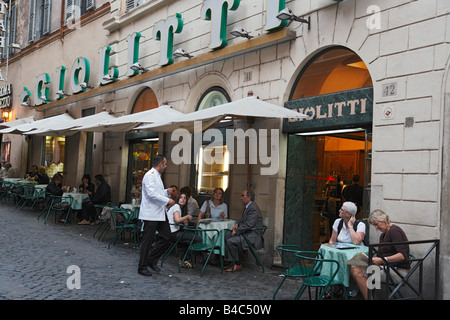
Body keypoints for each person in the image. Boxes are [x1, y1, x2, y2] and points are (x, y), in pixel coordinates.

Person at [350, 209, 410, 300]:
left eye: (377, 224)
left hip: (398, 271)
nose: (376, 228)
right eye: (374, 225)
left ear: (383, 220)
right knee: (354, 267)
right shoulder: (383, 235)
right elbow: (381, 255)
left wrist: (383, 259)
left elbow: (403, 255)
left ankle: (369, 298)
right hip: (386, 267)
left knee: (358, 272)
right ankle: (370, 296)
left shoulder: (394, 231)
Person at [138, 154, 175, 276]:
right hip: (151, 213)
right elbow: (151, 194)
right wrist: (167, 201)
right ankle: (142, 266)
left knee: (167, 236)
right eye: (165, 164)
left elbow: (157, 193)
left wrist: (166, 192)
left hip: (159, 213)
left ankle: (151, 259)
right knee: (147, 241)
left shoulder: (157, 176)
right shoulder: (150, 175)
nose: (166, 166)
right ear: (160, 164)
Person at [224, 190, 263, 272]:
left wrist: (237, 230)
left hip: (252, 234)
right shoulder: (248, 207)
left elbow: (249, 224)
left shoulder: (253, 208)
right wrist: (237, 224)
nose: (240, 198)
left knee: (231, 241)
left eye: (242, 196)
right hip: (247, 232)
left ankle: (237, 264)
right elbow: (242, 220)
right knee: (226, 238)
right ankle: (232, 261)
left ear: (249, 197)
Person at [166, 191, 202, 268]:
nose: (183, 199)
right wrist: (187, 216)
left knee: (191, 238)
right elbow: (177, 220)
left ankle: (185, 259)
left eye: (185, 198)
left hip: (172, 232)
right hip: (172, 233)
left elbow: (180, 222)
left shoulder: (179, 208)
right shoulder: (176, 206)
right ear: (178, 199)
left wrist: (184, 221)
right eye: (181, 198)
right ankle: (184, 259)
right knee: (198, 238)